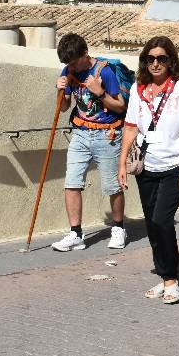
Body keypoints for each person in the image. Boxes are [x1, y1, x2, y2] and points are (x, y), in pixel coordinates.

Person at [116, 37, 179, 304]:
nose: (155, 63)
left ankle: (171, 279)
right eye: (150, 58)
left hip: (176, 165)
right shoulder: (137, 89)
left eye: (161, 58)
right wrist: (121, 163)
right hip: (146, 168)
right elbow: (130, 127)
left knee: (163, 220)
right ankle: (164, 274)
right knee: (152, 225)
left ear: (170, 61)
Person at [52, 33, 128, 252]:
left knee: (113, 186)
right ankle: (76, 234)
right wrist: (60, 89)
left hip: (108, 135)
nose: (72, 67)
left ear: (85, 54)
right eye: (68, 64)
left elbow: (120, 106)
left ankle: (119, 228)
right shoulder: (68, 71)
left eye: (74, 62)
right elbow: (65, 106)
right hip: (80, 134)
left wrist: (100, 92)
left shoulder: (104, 71)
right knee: (72, 183)